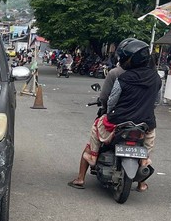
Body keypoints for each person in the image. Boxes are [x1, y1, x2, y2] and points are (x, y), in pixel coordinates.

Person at [68, 37, 161, 192]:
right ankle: (143, 166)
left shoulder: (121, 77)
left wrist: (109, 111)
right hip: (145, 123)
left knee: (96, 127)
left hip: (119, 121)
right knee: (148, 141)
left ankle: (91, 158)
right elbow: (156, 102)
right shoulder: (156, 78)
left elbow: (111, 101)